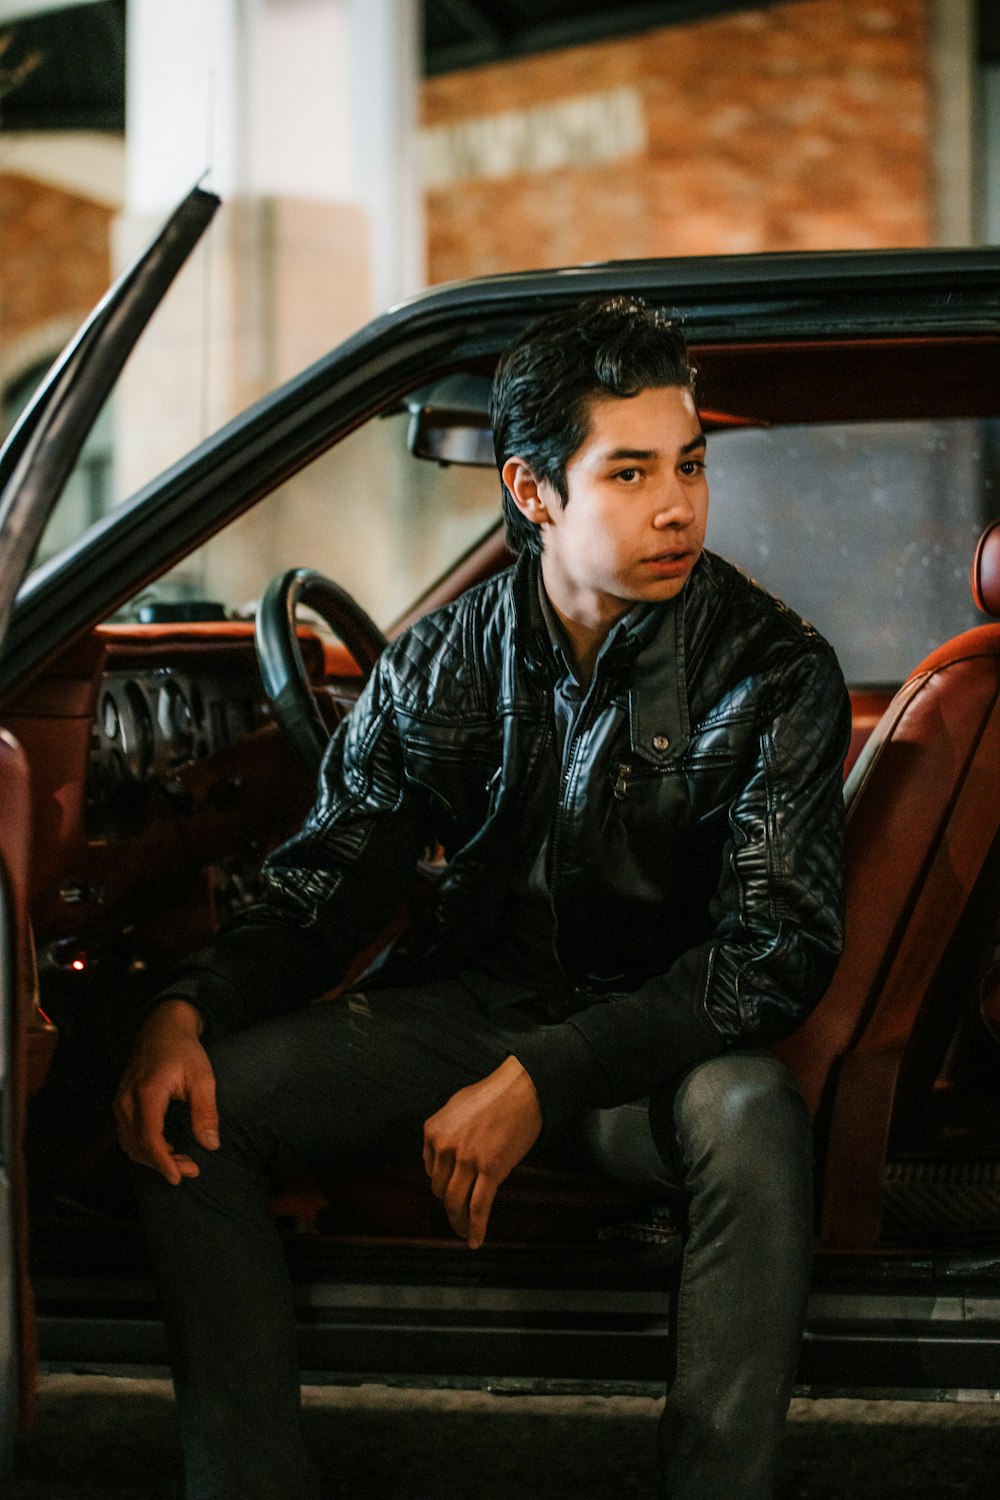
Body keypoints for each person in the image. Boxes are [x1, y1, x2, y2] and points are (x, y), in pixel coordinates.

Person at [114, 296, 851, 1500]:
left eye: (690, 463)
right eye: (629, 472)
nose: (678, 505)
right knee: (194, 1111)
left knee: (753, 1113)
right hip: (469, 1016)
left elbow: (769, 954)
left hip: (652, 1055)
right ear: (532, 491)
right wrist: (189, 1007)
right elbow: (328, 884)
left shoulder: (771, 668)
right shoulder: (440, 658)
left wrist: (543, 1078)